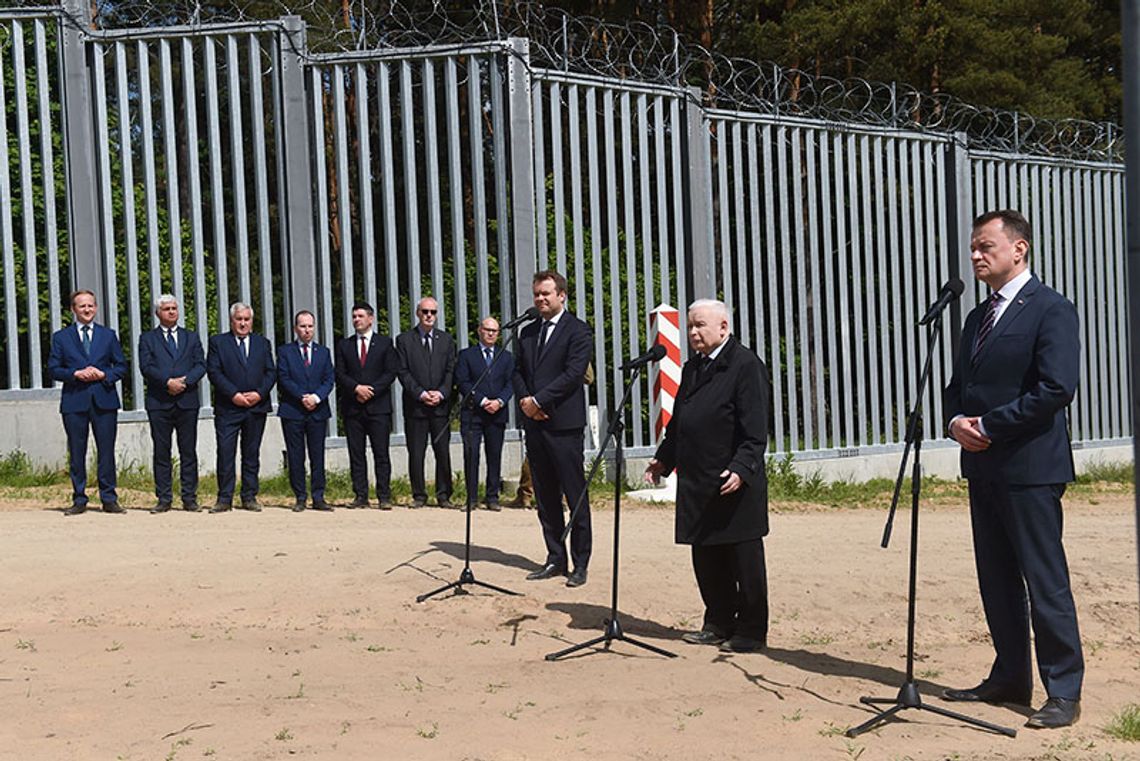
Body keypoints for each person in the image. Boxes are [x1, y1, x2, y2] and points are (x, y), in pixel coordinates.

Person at [941, 210, 1084, 730]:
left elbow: (1055, 388)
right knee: (996, 578)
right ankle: (1009, 676)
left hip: (1029, 467)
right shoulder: (976, 318)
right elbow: (959, 386)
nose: (976, 255)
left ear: (1019, 249)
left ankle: (1063, 690)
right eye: (973, 247)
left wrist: (991, 425)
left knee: (1044, 581)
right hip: (983, 467)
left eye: (986, 246)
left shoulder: (1051, 309)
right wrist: (956, 420)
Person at [644, 299, 771, 653]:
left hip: (733, 482)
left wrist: (743, 468)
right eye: (690, 326)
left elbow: (756, 429)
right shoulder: (693, 368)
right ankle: (717, 621)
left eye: (700, 325)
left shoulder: (745, 366)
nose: (694, 333)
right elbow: (680, 423)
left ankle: (750, 629)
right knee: (707, 558)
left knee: (742, 560)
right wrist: (664, 461)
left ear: (723, 328)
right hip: (698, 482)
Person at [512, 270, 593, 587]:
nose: (540, 299)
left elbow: (574, 374)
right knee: (545, 496)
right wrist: (525, 401)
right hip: (534, 423)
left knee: (574, 494)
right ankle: (555, 557)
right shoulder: (528, 332)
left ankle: (581, 562)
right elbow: (517, 371)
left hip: (563, 424)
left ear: (562, 295)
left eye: (546, 293)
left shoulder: (578, 330)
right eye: (537, 294)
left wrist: (541, 401)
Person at [48, 290, 128, 515]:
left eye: (90, 306)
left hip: (104, 400)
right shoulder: (61, 337)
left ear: (96, 308)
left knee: (106, 451)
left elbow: (121, 366)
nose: (87, 310)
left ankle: (109, 498)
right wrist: (75, 373)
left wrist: (104, 375)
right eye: (82, 306)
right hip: (75, 401)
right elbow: (53, 369)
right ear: (73, 309)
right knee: (77, 451)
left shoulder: (108, 335)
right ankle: (79, 498)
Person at [137, 294, 206, 513]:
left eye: (174, 308)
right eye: (166, 309)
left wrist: (184, 382)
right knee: (162, 451)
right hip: (160, 401)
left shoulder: (191, 337)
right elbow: (146, 367)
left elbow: (200, 365)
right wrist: (167, 382)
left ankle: (189, 498)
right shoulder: (147, 338)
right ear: (158, 312)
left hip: (186, 401)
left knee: (188, 451)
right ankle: (164, 498)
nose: (171, 312)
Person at [206, 302, 275, 513]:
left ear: (251, 321)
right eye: (239, 319)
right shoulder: (218, 342)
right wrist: (234, 394)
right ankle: (224, 498)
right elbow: (214, 372)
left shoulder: (262, 343)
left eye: (246, 319)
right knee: (226, 452)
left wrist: (259, 394)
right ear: (231, 320)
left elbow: (271, 372)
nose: (243, 323)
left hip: (256, 407)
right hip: (229, 407)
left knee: (251, 453)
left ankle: (249, 496)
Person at [335, 301, 398, 510]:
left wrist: (371, 390)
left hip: (378, 407)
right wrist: (356, 389)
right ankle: (360, 495)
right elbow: (340, 373)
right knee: (356, 453)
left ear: (370, 319)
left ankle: (384, 495)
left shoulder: (385, 343)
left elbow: (390, 372)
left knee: (381, 453)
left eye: (360, 316)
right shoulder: (345, 345)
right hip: (353, 407)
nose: (356, 320)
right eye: (354, 316)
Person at [396, 296, 456, 509]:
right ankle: (419, 495)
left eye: (433, 312)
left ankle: (444, 494)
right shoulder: (404, 340)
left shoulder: (446, 340)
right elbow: (402, 372)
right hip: (416, 407)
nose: (429, 316)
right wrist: (421, 393)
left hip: (440, 406)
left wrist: (441, 393)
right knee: (417, 451)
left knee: (442, 451)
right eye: (425, 312)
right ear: (417, 313)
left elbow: (450, 370)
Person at [277, 310, 335, 512]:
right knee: (296, 455)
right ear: (295, 329)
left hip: (317, 411)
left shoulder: (324, 352)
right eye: (303, 326)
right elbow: (284, 378)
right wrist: (303, 396)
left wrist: (316, 398)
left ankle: (318, 497)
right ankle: (300, 496)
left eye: (310, 326)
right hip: (293, 410)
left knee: (317, 455)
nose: (307, 330)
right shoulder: (285, 351)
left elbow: (329, 379)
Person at [456, 316, 514, 511]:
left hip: (497, 413)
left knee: (494, 455)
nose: (491, 333)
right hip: (473, 413)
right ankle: (471, 498)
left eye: (495, 331)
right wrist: (481, 400)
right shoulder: (466, 355)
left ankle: (492, 497)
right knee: (471, 455)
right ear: (479, 331)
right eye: (487, 330)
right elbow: (463, 382)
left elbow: (511, 383)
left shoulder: (506, 357)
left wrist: (499, 401)